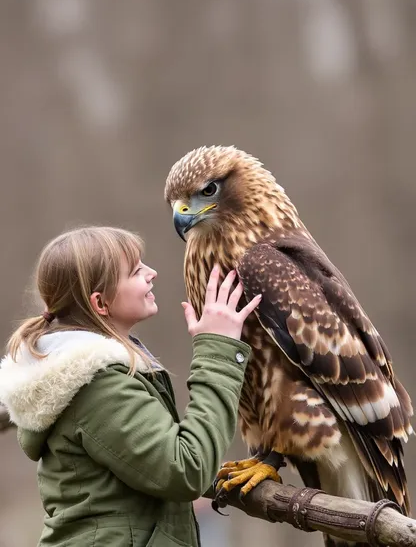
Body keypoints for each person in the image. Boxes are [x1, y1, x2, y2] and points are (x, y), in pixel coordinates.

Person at [0, 226, 262, 547]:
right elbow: (186, 469)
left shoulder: (81, 372)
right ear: (100, 303)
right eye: (137, 271)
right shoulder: (99, 385)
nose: (152, 273)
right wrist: (217, 350)